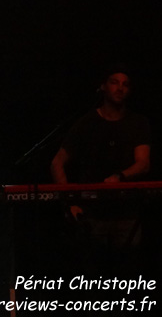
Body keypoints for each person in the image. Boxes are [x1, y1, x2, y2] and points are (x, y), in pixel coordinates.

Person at [49, 64, 151, 278]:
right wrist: (70, 203)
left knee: (127, 282)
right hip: (92, 217)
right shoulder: (86, 122)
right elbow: (57, 162)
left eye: (125, 84)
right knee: (94, 281)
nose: (120, 88)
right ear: (103, 87)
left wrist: (120, 177)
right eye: (115, 82)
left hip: (127, 216)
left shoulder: (137, 123)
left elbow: (143, 162)